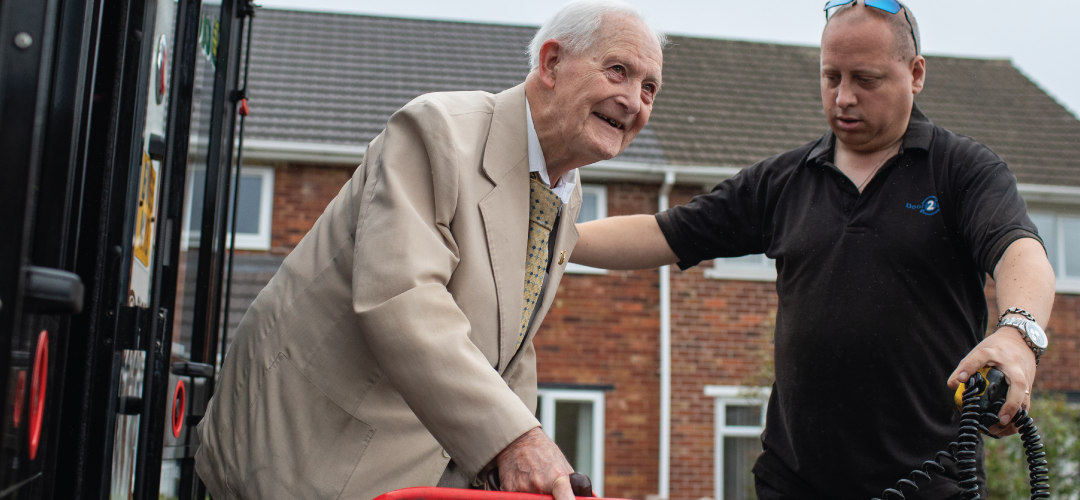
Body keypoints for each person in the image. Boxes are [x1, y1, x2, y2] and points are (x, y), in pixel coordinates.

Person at [571, 1, 1055, 499]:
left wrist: (1017, 333)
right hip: (793, 483)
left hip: (931, 482)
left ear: (915, 74)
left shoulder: (962, 170)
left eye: (865, 80)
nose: (843, 97)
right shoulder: (783, 180)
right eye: (831, 77)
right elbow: (662, 233)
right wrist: (552, 236)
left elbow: (1020, 251)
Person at [194, 1, 664, 499]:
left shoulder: (564, 191)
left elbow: (510, 349)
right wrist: (514, 441)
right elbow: (401, 297)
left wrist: (530, 459)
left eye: (649, 88)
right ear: (551, 64)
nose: (634, 100)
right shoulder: (437, 130)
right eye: (619, 71)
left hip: (406, 465)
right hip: (305, 450)